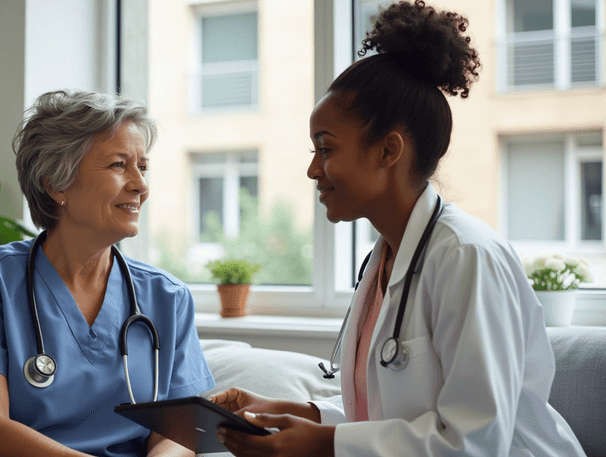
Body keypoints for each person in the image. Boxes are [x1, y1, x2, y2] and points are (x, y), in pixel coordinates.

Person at [209, 1, 586, 456]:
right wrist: (300, 414)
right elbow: (389, 412)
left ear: (389, 150)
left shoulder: (467, 256)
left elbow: (473, 441)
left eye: (325, 149)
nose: (313, 170)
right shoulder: (384, 260)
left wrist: (323, 444)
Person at [0, 90, 215, 457]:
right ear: (56, 183)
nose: (141, 185)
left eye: (142, 167)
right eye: (119, 165)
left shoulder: (168, 298)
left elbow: (179, 434)